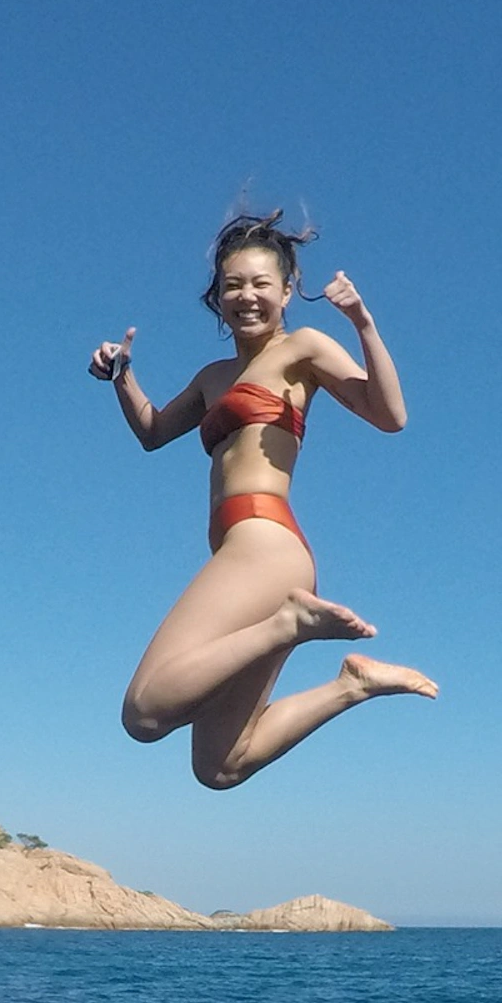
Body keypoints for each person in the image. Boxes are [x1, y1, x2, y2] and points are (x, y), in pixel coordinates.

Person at [88, 211, 437, 789]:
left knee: (144, 713)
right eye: (232, 285)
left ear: (286, 290)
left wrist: (362, 322)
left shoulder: (302, 348)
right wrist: (122, 376)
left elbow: (390, 415)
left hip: (265, 542)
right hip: (245, 551)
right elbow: (152, 433)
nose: (246, 296)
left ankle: (291, 622)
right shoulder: (212, 377)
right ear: (216, 297)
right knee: (220, 767)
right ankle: (352, 684)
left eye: (259, 284)